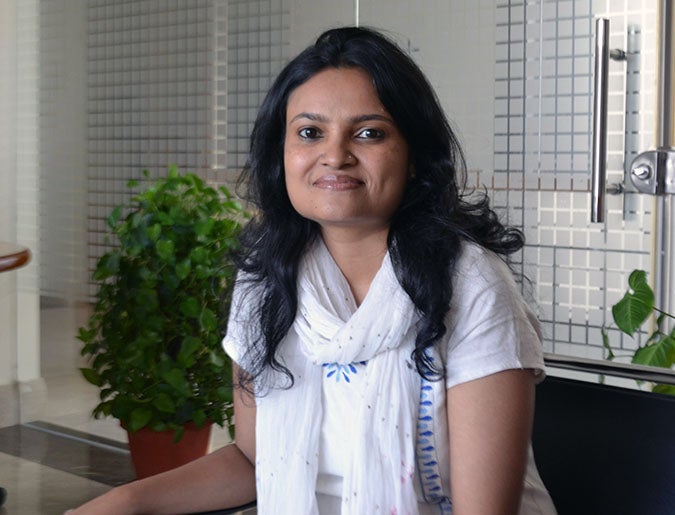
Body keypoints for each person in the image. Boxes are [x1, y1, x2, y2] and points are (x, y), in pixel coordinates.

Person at [69, 26, 557, 514]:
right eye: (310, 132)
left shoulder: (470, 284)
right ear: (281, 156)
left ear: (414, 157)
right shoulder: (266, 278)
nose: (335, 155)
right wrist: (125, 501)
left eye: (369, 133)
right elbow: (251, 459)